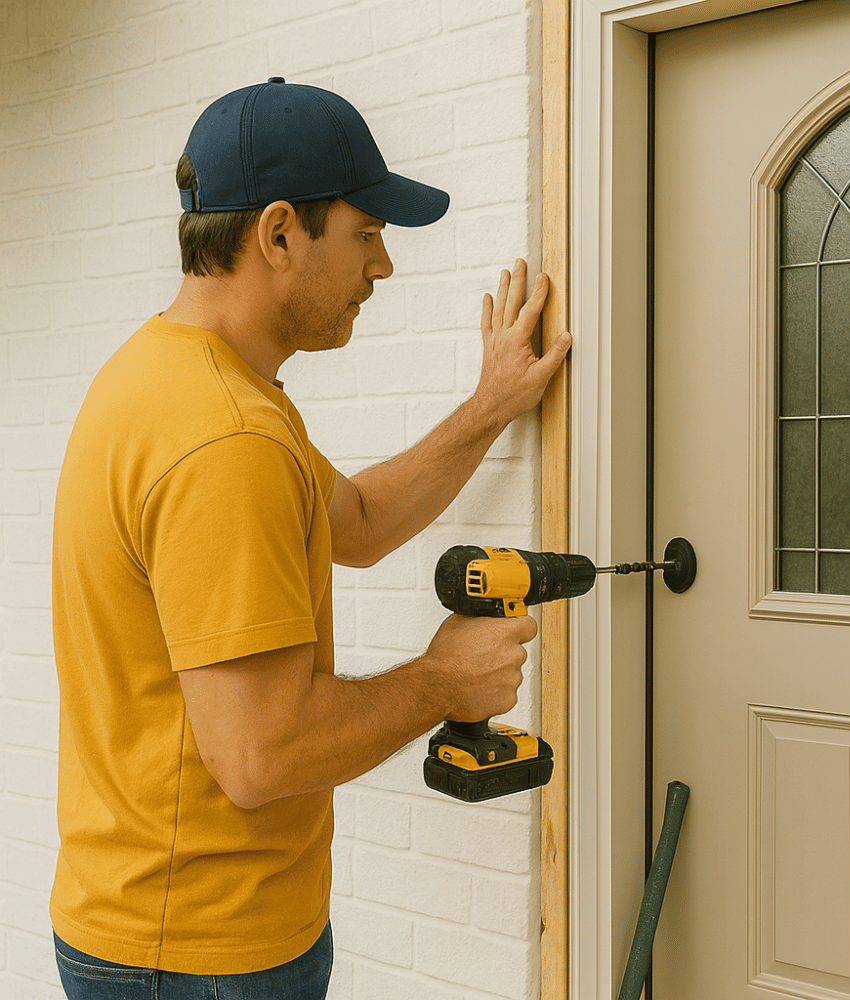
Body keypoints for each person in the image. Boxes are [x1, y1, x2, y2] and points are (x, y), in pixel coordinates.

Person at [48, 78, 570, 999]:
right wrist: (444, 680)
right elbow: (262, 756)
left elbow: (358, 526)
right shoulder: (225, 437)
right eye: (366, 234)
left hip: (154, 930)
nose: (384, 267)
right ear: (280, 233)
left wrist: (489, 407)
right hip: (200, 955)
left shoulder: (172, 379)